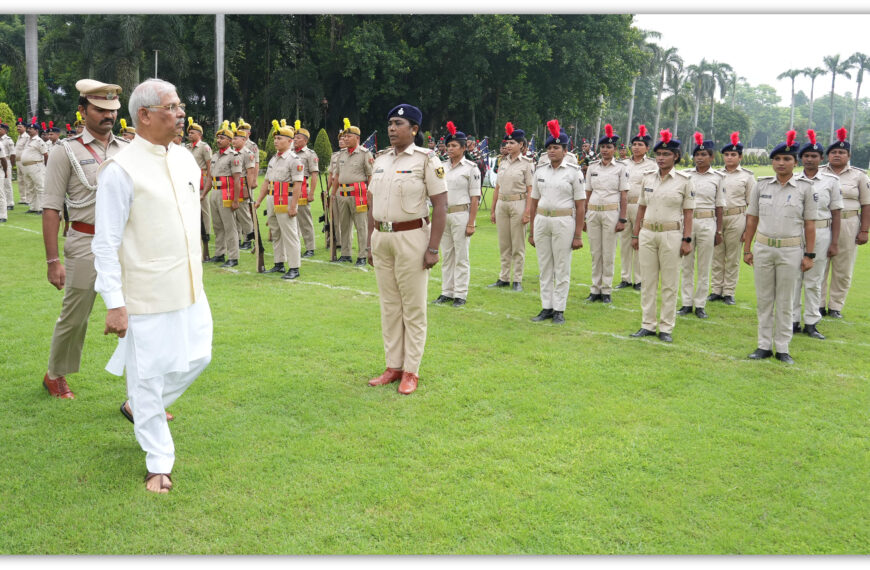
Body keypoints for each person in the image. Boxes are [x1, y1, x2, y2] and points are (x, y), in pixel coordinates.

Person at [93, 78, 212, 493]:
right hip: (143, 293)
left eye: (180, 106)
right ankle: (159, 462)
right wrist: (114, 302)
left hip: (190, 286)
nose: (180, 113)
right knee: (147, 377)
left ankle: (141, 406)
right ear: (144, 115)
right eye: (171, 107)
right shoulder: (120, 171)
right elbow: (104, 243)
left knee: (199, 357)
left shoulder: (184, 159)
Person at [40, 79, 131, 401]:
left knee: (137, 314)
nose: (108, 115)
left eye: (113, 110)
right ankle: (56, 375)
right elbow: (51, 208)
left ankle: (140, 390)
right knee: (76, 315)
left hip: (123, 245)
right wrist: (53, 261)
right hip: (85, 242)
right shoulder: (65, 151)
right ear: (82, 111)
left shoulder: (127, 150)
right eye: (100, 109)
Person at [366, 103, 447, 395]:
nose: (391, 128)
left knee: (413, 308)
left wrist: (433, 248)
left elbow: (440, 204)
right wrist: (370, 241)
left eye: (399, 123)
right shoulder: (381, 160)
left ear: (414, 129)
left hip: (412, 236)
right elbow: (371, 202)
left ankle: (411, 370)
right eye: (390, 123)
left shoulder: (426, 160)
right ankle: (393, 366)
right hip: (383, 238)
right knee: (389, 306)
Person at [743, 130, 817, 364]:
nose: (781, 163)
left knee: (785, 301)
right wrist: (747, 249)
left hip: (791, 250)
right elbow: (752, 219)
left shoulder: (805, 189)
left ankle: (783, 347)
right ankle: (763, 345)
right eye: (777, 159)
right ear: (772, 162)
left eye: (787, 159)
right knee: (764, 299)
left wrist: (809, 254)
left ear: (795, 163)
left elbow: (810, 225)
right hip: (764, 248)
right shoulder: (761, 186)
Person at [630, 129, 695, 343]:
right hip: (648, 233)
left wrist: (687, 239)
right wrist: (636, 234)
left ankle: (666, 327)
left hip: (671, 234)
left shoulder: (684, 180)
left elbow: (688, 213)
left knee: (669, 283)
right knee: (648, 282)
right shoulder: (648, 178)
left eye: (666, 154)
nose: (661, 158)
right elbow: (641, 207)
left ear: (676, 156)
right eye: (658, 154)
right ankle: (647, 324)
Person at [528, 120, 585, 324]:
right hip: (542, 220)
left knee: (561, 266)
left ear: (565, 150)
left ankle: (559, 309)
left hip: (563, 221)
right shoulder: (540, 170)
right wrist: (531, 230)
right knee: (545, 266)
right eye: (550, 148)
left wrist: (578, 234)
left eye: (556, 148)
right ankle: (547, 307)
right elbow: (533, 201)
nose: (552, 151)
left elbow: (580, 205)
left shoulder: (573, 172)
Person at [793, 129, 842, 339]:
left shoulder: (831, 181)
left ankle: (811, 322)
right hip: (796, 232)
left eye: (814, 156)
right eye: (806, 156)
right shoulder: (793, 180)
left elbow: (836, 213)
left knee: (814, 279)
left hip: (822, 231)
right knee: (794, 278)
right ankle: (793, 320)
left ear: (821, 158)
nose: (809, 159)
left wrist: (835, 242)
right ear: (801, 158)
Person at [819, 127, 870, 318]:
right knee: (819, 265)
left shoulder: (859, 176)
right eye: (833, 152)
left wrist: (864, 231)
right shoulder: (819, 173)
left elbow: (867, 205)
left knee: (843, 268)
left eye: (841, 152)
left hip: (849, 224)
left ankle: (835, 307)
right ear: (828, 155)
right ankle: (818, 305)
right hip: (823, 223)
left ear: (848, 155)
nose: (837, 155)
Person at [432, 121, 481, 307]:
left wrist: (471, 222)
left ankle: (460, 293)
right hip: (444, 214)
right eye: (448, 145)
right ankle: (447, 291)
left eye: (454, 146)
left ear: (463, 147)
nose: (450, 149)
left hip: (461, 213)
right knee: (447, 255)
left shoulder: (471, 168)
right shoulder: (442, 167)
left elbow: (474, 198)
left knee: (461, 256)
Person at [677, 133, 724, 319]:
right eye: (697, 154)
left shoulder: (718, 177)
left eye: (704, 154)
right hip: (688, 222)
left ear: (711, 157)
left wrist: (719, 230)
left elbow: (720, 205)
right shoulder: (686, 175)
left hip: (707, 222)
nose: (699, 157)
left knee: (704, 266)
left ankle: (700, 304)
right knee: (686, 264)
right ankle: (686, 303)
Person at [584, 124, 630, 303]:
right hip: (594, 213)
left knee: (608, 253)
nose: (605, 150)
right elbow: (587, 193)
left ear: (615, 149)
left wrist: (623, 218)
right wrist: (585, 217)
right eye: (603, 147)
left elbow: (623, 195)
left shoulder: (620, 168)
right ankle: (595, 289)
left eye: (609, 147)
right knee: (596, 253)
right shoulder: (593, 167)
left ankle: (606, 290)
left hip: (611, 213)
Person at [254, 120, 304, 279]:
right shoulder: (273, 159)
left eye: (280, 139)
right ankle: (279, 263)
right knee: (275, 232)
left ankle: (294, 267)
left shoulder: (294, 159)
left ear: (290, 141)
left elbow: (297, 184)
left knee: (290, 233)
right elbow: (266, 182)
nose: (276, 141)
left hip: (286, 198)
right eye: (275, 139)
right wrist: (259, 200)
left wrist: (294, 206)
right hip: (272, 197)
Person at [710, 132, 755, 305]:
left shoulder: (747, 176)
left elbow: (752, 205)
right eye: (727, 154)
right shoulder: (716, 175)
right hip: (718, 217)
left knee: (733, 257)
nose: (729, 157)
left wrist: (747, 231)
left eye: (733, 155)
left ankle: (728, 291)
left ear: (740, 157)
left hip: (738, 217)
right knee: (717, 255)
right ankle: (716, 290)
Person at [489, 122, 533, 291]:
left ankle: (517, 279)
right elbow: (497, 187)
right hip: (502, 203)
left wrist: (527, 211)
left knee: (518, 244)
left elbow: (531, 190)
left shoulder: (527, 163)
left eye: (512, 143)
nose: (508, 145)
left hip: (518, 203)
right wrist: (493, 209)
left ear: (521, 145)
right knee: (504, 243)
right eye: (507, 143)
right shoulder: (503, 162)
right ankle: (504, 277)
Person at [616, 125, 656, 291]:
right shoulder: (623, 164)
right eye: (634, 144)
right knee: (625, 243)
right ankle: (625, 278)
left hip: (642, 207)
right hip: (625, 206)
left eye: (641, 144)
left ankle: (639, 280)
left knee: (640, 242)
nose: (636, 147)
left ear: (647, 148)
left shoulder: (653, 165)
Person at [332, 118, 373, 265]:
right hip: (342, 193)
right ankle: (345, 254)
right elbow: (337, 175)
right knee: (344, 225)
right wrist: (333, 193)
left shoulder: (364, 153)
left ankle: (363, 255)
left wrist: (370, 195)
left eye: (349, 136)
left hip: (359, 193)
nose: (345, 139)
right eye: (344, 137)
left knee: (361, 225)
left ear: (357, 138)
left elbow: (370, 176)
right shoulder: (341, 154)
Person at [206, 120, 243, 267]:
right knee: (217, 226)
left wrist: (235, 200)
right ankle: (219, 253)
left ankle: (233, 256)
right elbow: (210, 177)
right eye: (218, 138)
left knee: (229, 226)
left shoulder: (233, 156)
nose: (218, 140)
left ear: (229, 141)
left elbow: (237, 180)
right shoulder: (215, 156)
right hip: (215, 192)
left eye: (222, 138)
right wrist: (204, 194)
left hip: (227, 193)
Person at [185, 117, 212, 261]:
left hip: (201, 184)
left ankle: (206, 238)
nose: (190, 135)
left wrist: (208, 186)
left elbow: (209, 167)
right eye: (189, 133)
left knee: (204, 213)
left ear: (199, 134)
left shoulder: (204, 147)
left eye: (193, 133)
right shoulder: (187, 148)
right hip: (189, 184)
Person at [292, 121, 320, 257]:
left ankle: (310, 248)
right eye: (294, 138)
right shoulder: (290, 152)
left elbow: (314, 174)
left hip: (303, 189)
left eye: (298, 138)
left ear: (305, 140)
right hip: (289, 190)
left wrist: (312, 193)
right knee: (292, 220)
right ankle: (294, 246)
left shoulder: (310, 154)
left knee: (305, 220)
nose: (295, 140)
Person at [231, 123, 256, 250]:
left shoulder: (248, 153)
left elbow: (250, 172)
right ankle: (240, 238)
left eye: (236, 139)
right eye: (233, 139)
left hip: (243, 185)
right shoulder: (232, 152)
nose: (233, 141)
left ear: (244, 139)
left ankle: (249, 238)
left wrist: (249, 189)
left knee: (244, 214)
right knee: (236, 214)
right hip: (233, 185)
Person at [20, 118, 49, 214]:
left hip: (36, 166)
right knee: (30, 187)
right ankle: (33, 207)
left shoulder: (39, 141)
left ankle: (41, 208)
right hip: (27, 167)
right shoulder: (28, 140)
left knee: (40, 187)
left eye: (31, 129)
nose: (28, 130)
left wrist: (45, 166)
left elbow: (45, 154)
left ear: (36, 131)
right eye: (28, 128)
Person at [13, 117, 30, 205]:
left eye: (20, 126)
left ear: (25, 128)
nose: (18, 128)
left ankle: (28, 198)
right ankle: (22, 198)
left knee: (26, 179)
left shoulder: (27, 137)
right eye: (17, 126)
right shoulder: (19, 137)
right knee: (20, 180)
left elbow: (26, 150)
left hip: (24, 161)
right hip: (17, 161)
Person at [0, 122, 14, 211]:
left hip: (6, 161)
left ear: (5, 130)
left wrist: (11, 165)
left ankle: (10, 202)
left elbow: (13, 154)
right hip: (1, 161)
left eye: (0, 129)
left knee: (7, 183)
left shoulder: (8, 140)